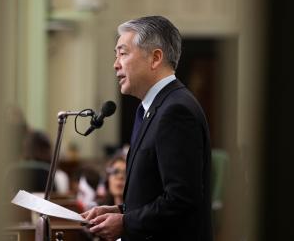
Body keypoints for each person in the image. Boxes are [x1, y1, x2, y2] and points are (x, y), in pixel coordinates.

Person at [81, 16, 213, 241]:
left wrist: (125, 223)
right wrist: (121, 211)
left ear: (155, 58)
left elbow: (181, 200)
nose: (115, 64)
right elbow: (154, 191)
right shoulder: (151, 108)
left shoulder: (175, 111)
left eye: (123, 53)